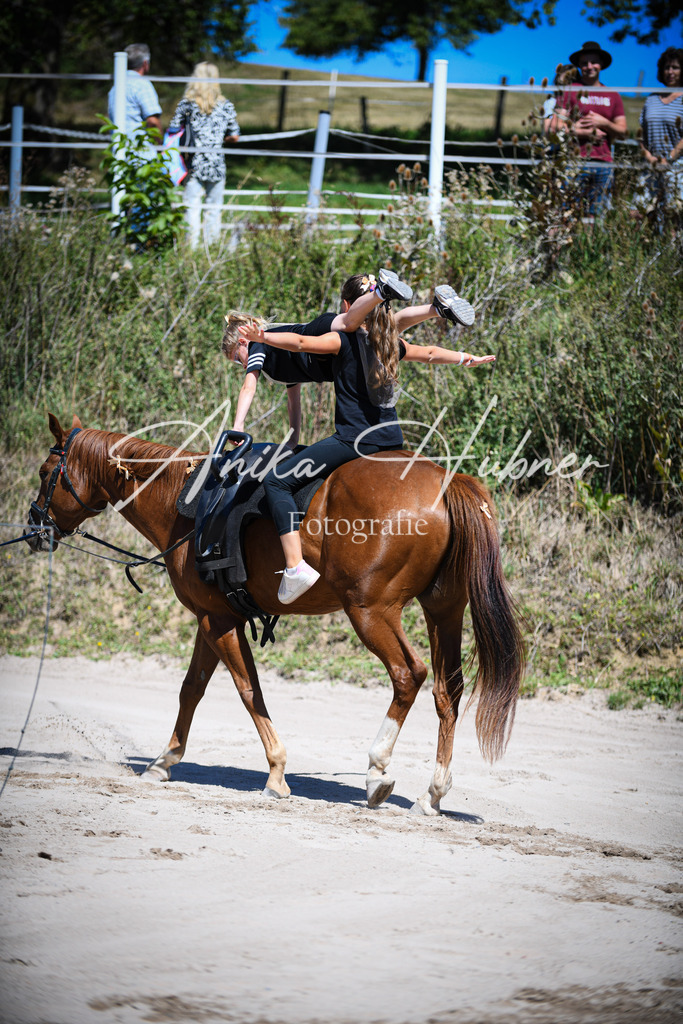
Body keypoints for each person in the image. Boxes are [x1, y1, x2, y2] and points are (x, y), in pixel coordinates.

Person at [236, 288, 494, 605]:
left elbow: (301, 342)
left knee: (276, 481)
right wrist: (466, 357)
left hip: (354, 441)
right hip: (392, 438)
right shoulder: (386, 344)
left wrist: (262, 336)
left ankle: (294, 565)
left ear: (348, 306)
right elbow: (427, 352)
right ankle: (429, 306)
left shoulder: (340, 340)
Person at [222, 270, 475, 448]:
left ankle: (380, 292)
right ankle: (437, 309)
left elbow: (249, 386)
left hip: (314, 335)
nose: (241, 364)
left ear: (243, 341)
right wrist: (293, 440)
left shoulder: (257, 343)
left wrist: (239, 424)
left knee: (346, 322)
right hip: (320, 355)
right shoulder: (276, 365)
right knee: (388, 327)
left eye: (237, 357)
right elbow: (293, 400)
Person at [549, 40, 627, 215]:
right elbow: (555, 125)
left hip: (604, 163)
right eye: (584, 63)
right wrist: (583, 132)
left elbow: (623, 132)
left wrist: (604, 123)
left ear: (601, 65)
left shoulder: (613, 95)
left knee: (596, 215)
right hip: (574, 162)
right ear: (579, 66)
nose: (589, 67)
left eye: (593, 62)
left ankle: (587, 243)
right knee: (566, 212)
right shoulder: (570, 91)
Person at [167, 63, 240, 248]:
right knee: (214, 208)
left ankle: (191, 247)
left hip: (193, 163)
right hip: (216, 163)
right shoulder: (226, 105)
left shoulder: (186, 105)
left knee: (191, 206)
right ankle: (211, 247)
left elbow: (173, 129)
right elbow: (234, 135)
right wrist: (219, 137)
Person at [638, 46, 683, 217]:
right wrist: (649, 157)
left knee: (672, 212)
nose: (670, 72)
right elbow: (641, 134)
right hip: (651, 163)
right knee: (639, 211)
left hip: (677, 166)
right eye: (667, 67)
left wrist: (670, 158)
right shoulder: (651, 99)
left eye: (675, 67)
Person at [107, 43, 161, 155]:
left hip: (119, 151)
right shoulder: (142, 84)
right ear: (145, 63)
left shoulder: (116, 86)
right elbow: (153, 121)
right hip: (141, 153)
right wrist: (161, 145)